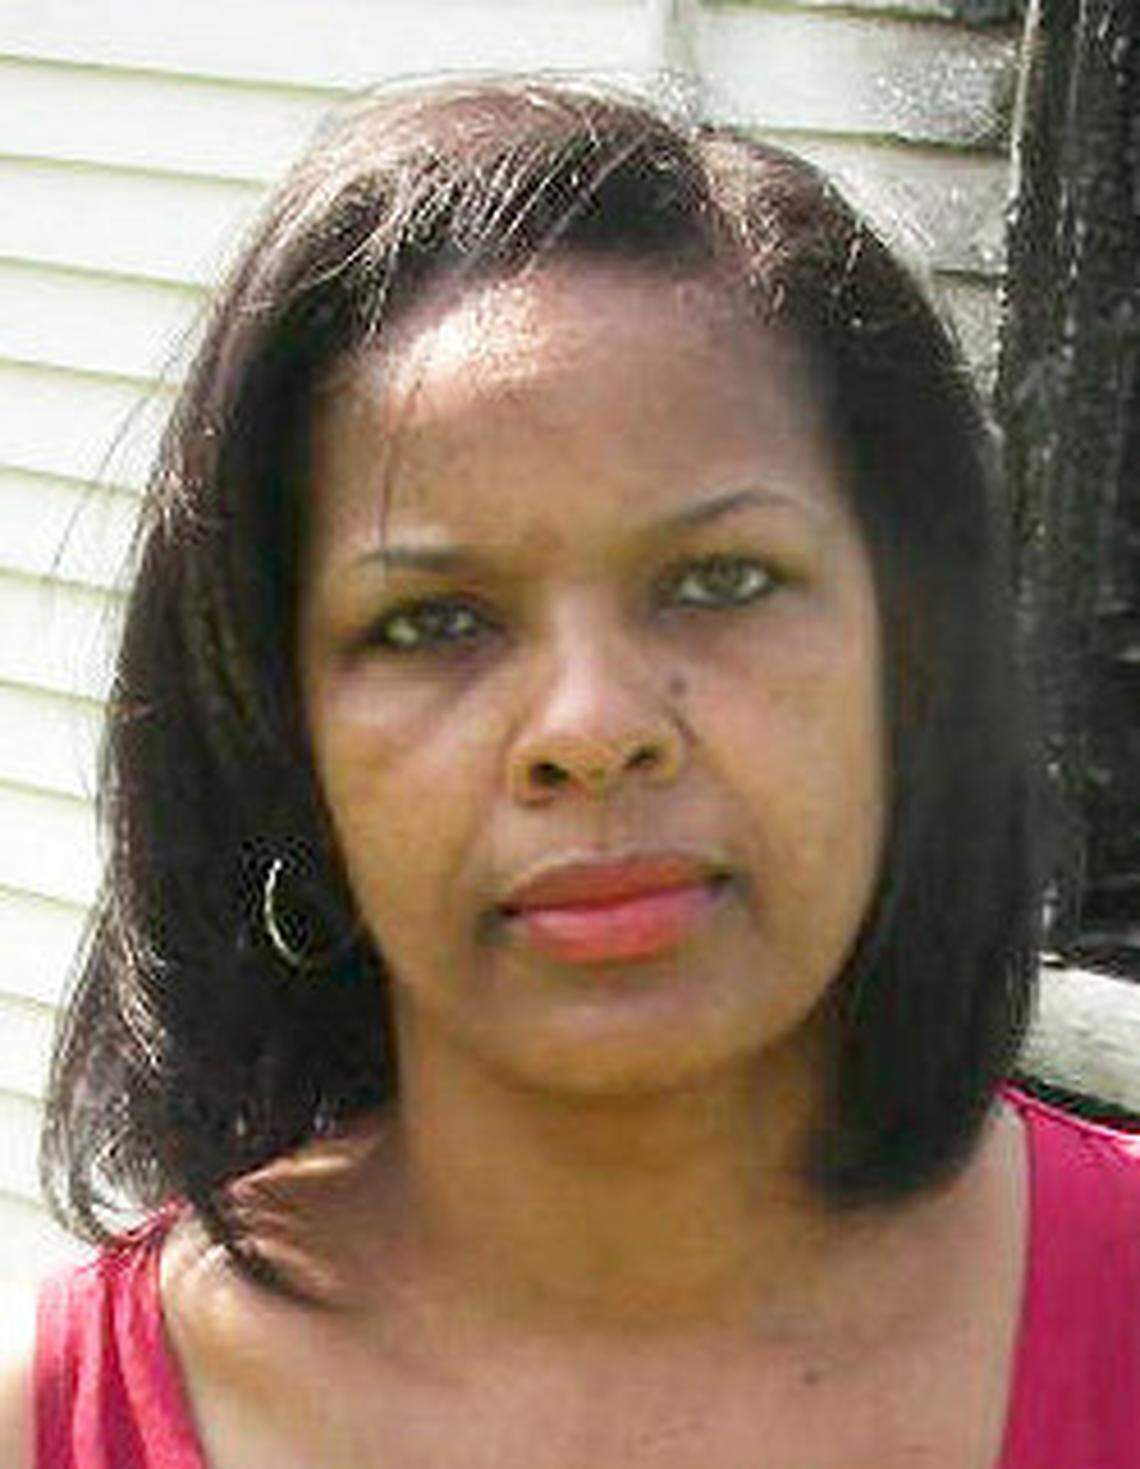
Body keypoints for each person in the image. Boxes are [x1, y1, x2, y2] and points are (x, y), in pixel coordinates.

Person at [2, 76, 1137, 1468]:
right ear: (278, 734)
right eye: (433, 622)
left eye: (720, 581)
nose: (590, 726)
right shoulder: (54, 1421)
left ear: (912, 669)